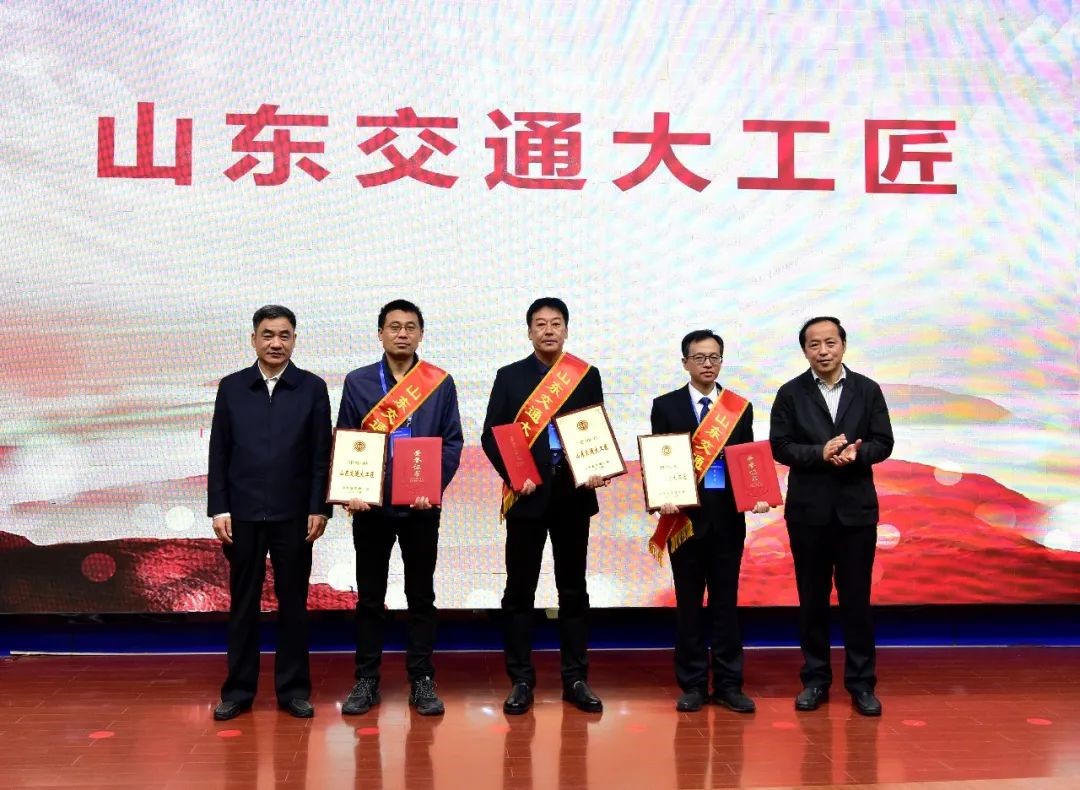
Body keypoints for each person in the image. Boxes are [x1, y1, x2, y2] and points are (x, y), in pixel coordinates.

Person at [481, 297, 608, 714]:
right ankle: (520, 679)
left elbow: (595, 432)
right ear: (529, 331)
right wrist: (514, 475)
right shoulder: (510, 377)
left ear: (566, 330)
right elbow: (491, 435)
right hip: (527, 497)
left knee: (573, 590)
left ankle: (576, 678)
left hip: (573, 495)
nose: (548, 330)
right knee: (520, 591)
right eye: (540, 324)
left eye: (556, 323)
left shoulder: (585, 375)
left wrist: (597, 468)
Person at [336, 299, 463, 717]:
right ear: (380, 334)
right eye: (394, 327)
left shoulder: (439, 383)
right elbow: (347, 437)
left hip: (421, 508)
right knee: (370, 597)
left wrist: (433, 486)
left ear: (420, 334)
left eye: (410, 327)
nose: (402, 334)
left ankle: (421, 679)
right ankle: (366, 679)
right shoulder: (357, 382)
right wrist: (351, 489)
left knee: (421, 595)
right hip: (370, 508)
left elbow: (452, 442)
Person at [208, 304, 332, 720]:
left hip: (295, 515)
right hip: (241, 514)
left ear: (294, 340)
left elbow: (321, 454)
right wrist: (219, 507)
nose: (276, 343)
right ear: (253, 339)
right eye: (268, 335)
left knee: (293, 604)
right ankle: (238, 691)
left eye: (284, 335)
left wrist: (319, 508)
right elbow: (219, 451)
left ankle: (293, 690)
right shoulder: (232, 387)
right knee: (243, 603)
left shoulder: (312, 388)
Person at [769, 316, 894, 717]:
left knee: (857, 600)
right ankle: (815, 680)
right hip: (809, 513)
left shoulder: (867, 389)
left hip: (856, 512)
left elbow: (884, 442)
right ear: (804, 350)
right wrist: (819, 453)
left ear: (843, 345)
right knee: (812, 601)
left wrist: (859, 453)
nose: (823, 351)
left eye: (830, 343)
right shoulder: (790, 393)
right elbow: (780, 446)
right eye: (814, 344)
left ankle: (861, 683)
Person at [650, 330, 771, 713]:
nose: (707, 364)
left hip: (727, 522)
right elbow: (658, 458)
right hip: (684, 521)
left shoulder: (738, 408)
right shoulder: (665, 405)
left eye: (714, 357)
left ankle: (729, 684)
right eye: (699, 357)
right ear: (685, 362)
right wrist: (660, 496)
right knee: (688, 606)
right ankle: (692, 685)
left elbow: (747, 460)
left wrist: (757, 493)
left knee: (725, 605)